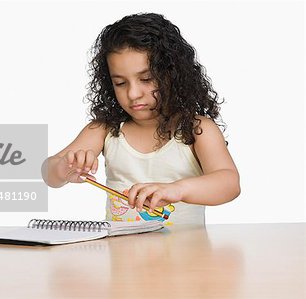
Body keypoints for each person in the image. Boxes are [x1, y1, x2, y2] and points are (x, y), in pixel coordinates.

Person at [41, 13, 240, 224]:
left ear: (173, 75)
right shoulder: (105, 129)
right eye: (120, 83)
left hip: (187, 255)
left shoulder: (197, 129)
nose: (133, 93)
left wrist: (178, 189)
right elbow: (48, 172)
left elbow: (228, 183)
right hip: (120, 255)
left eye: (146, 79)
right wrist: (63, 168)